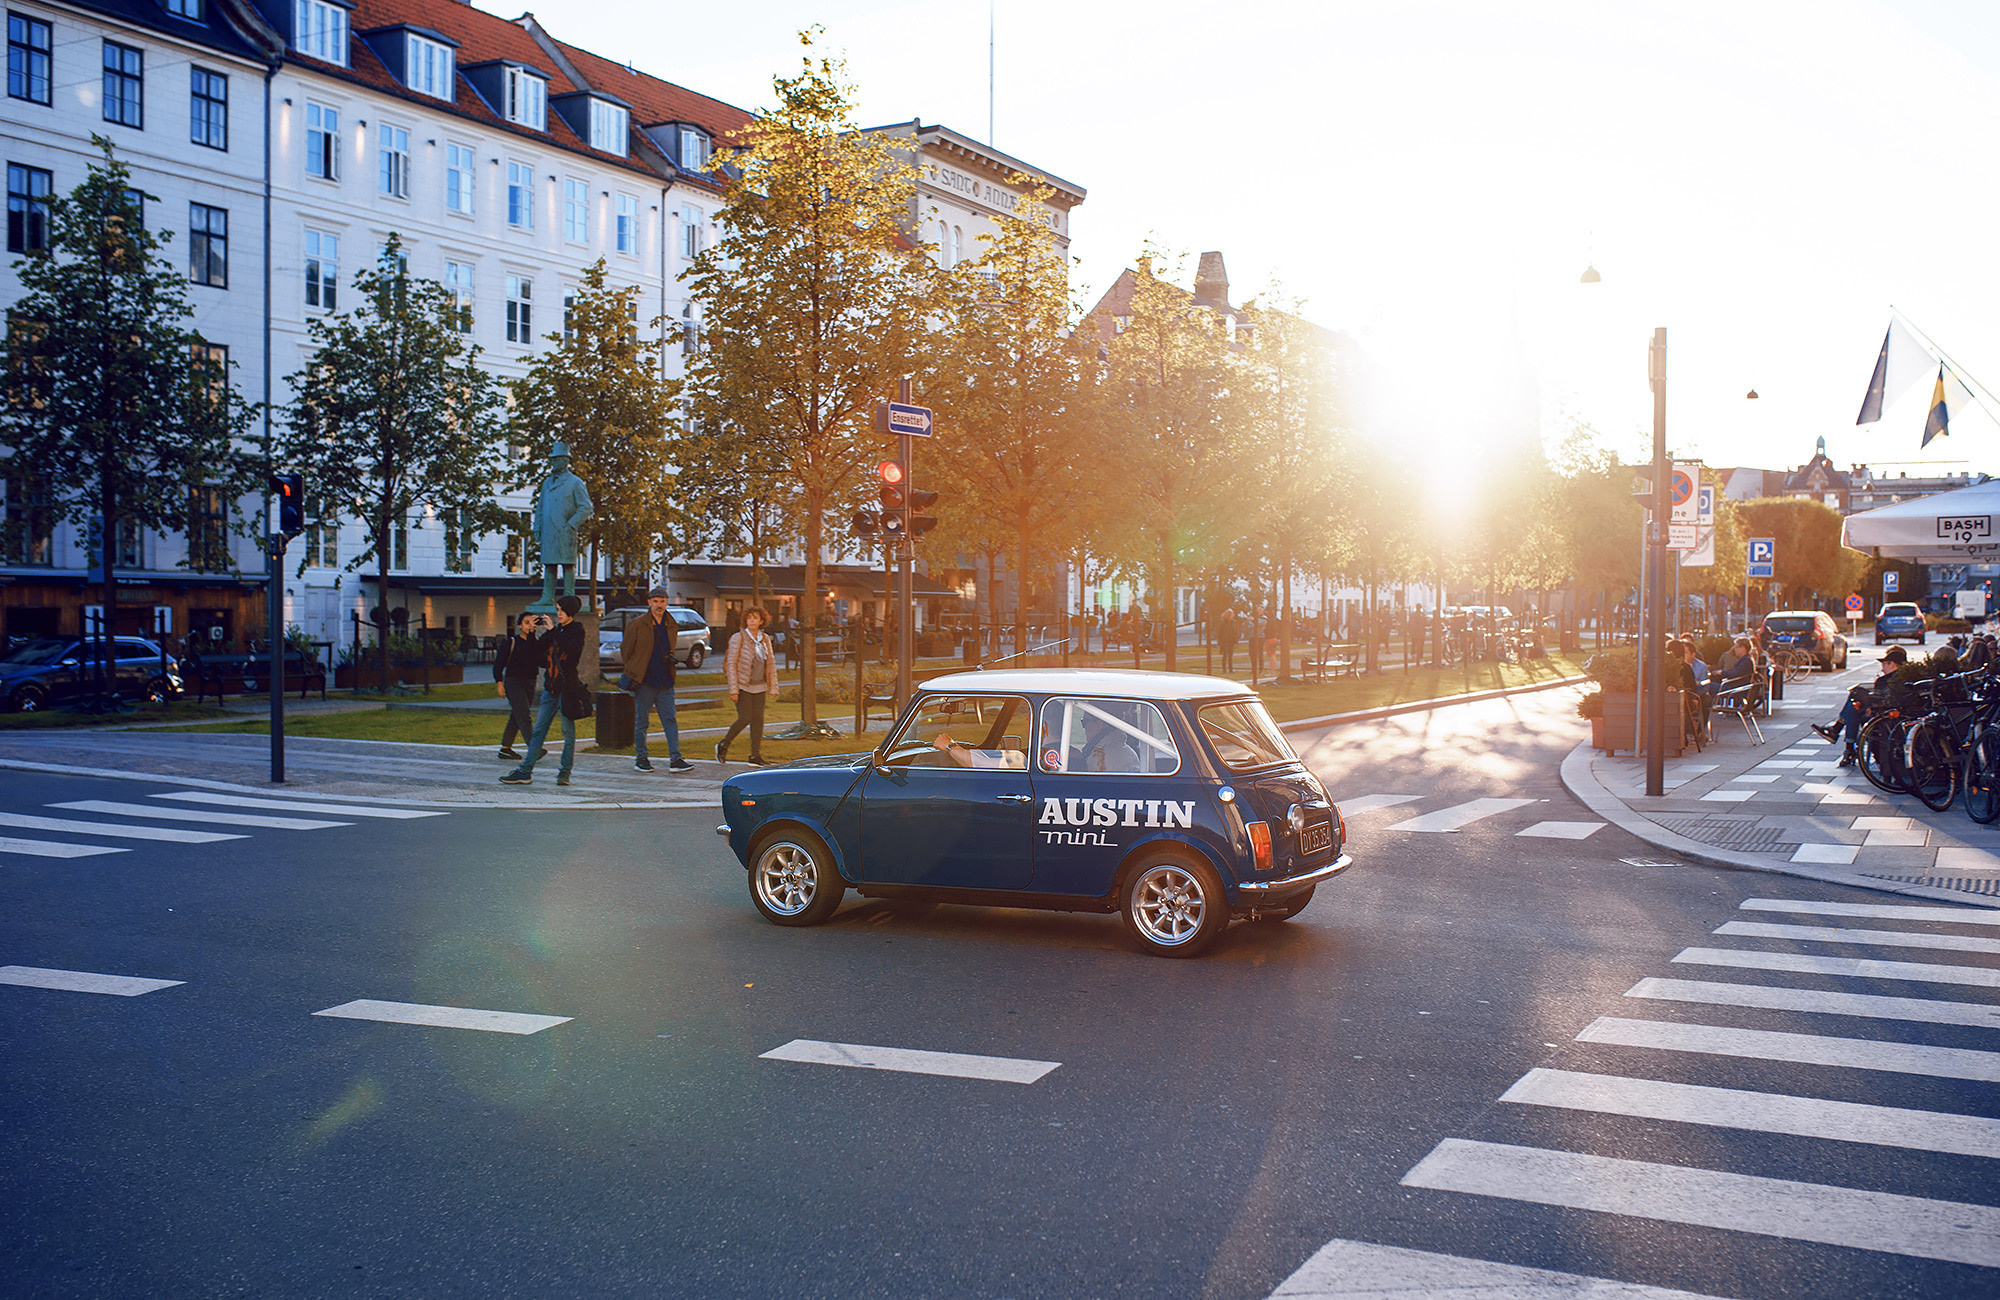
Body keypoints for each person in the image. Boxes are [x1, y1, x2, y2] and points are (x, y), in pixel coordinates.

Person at [501, 594, 586, 787]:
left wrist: (553, 630)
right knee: (538, 731)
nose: (558, 614)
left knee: (568, 733)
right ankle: (525, 771)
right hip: (551, 688)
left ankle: (564, 773)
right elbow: (534, 652)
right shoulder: (555, 631)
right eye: (557, 610)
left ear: (570, 611)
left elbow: (572, 651)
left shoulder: (576, 630)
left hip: (567, 689)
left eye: (561, 610)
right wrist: (531, 632)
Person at [623, 587, 693, 773]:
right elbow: (626, 651)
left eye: (662, 601)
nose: (659, 605)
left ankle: (676, 758)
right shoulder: (638, 624)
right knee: (642, 721)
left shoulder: (671, 623)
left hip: (665, 679)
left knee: (670, 719)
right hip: (644, 680)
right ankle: (641, 758)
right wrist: (635, 670)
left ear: (666, 602)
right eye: (655, 601)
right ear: (649, 602)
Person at [1812, 644, 1907, 765]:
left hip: (1882, 713)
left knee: (1854, 703)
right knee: (1854, 703)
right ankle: (1845, 744)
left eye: (1884, 664)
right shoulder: (1901, 676)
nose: (1882, 668)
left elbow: (1884, 699)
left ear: (1892, 664)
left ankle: (1843, 740)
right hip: (1887, 710)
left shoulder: (1887, 679)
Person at [716, 606, 776, 766]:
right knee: (745, 717)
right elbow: (731, 664)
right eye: (749, 618)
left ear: (762, 621)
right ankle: (724, 744)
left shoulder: (765, 639)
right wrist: (733, 689)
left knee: (758, 720)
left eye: (755, 618)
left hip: (760, 685)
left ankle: (755, 756)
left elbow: (770, 663)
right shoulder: (738, 638)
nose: (752, 620)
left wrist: (773, 687)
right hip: (743, 685)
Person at [494, 609, 547, 762]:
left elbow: (542, 662)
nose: (530, 625)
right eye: (526, 623)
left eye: (532, 622)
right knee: (524, 715)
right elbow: (499, 664)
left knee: (517, 716)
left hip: (530, 682)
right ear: (519, 626)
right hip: (514, 682)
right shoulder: (511, 642)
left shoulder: (535, 643)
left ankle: (505, 749)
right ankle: (534, 748)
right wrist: (499, 684)